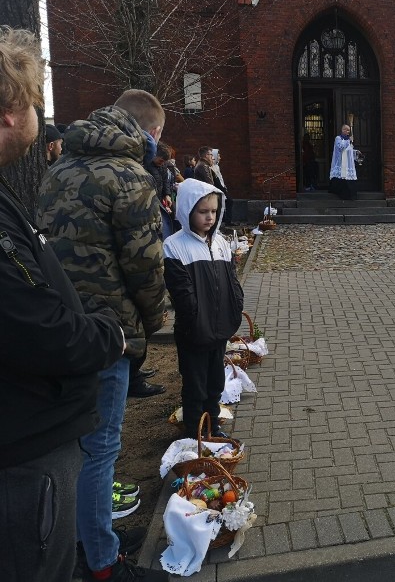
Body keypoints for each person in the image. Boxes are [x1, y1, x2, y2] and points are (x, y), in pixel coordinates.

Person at [0, 26, 125, 582]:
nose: (40, 118)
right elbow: (34, 324)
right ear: (9, 111)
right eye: (34, 103)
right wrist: (110, 334)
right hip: (26, 449)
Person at [37, 89, 168, 582]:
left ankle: (86, 536)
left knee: (74, 441)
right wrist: (151, 323)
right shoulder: (131, 176)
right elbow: (145, 265)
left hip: (60, 326)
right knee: (101, 447)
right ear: (150, 132)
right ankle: (102, 563)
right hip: (108, 330)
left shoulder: (60, 168)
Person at [164, 178, 244, 440]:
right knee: (195, 385)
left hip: (218, 329)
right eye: (203, 212)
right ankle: (194, 433)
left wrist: (234, 309)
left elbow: (231, 281)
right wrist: (196, 321)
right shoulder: (174, 246)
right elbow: (182, 293)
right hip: (194, 332)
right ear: (187, 210)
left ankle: (213, 425)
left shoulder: (219, 242)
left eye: (213, 211)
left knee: (214, 383)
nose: (209, 217)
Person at [329, 124, 357, 200]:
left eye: (349, 130)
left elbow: (349, 151)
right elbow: (340, 147)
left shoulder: (348, 140)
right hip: (340, 162)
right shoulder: (338, 138)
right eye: (346, 130)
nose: (348, 131)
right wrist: (348, 141)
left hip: (348, 163)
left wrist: (356, 152)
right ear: (343, 130)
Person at [210, 149, 234, 225]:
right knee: (228, 202)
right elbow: (216, 180)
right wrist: (222, 188)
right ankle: (226, 220)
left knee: (225, 203)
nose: (220, 158)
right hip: (218, 189)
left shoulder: (216, 166)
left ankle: (225, 220)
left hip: (222, 188)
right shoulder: (212, 167)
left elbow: (220, 178)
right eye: (218, 156)